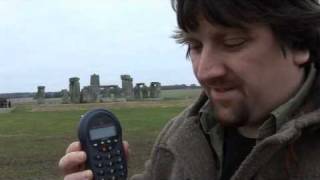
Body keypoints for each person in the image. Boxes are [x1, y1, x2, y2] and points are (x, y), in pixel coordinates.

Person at [59, 0, 320, 179]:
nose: (204, 70)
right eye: (194, 45)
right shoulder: (181, 133)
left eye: (233, 42)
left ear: (298, 44)